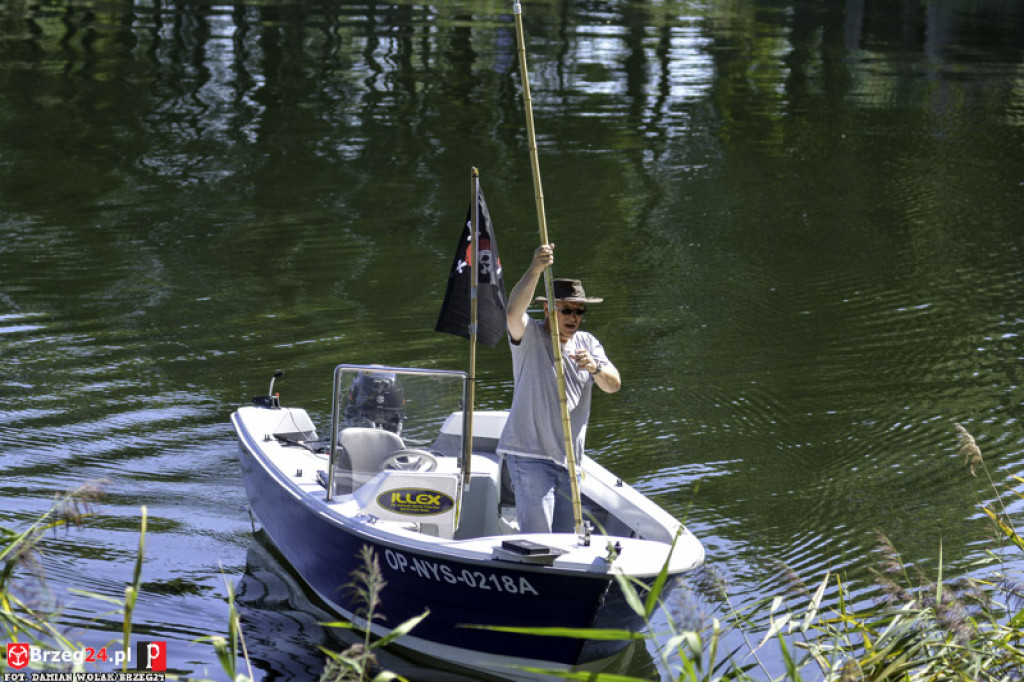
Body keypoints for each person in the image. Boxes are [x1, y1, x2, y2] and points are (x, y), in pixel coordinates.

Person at [496, 243, 621, 533]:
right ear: (548, 308)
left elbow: (613, 385)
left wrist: (595, 368)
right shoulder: (530, 336)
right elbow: (513, 312)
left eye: (579, 311)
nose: (573, 318)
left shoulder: (588, 344)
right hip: (530, 456)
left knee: (567, 542)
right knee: (540, 541)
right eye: (566, 310)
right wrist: (536, 268)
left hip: (571, 464)